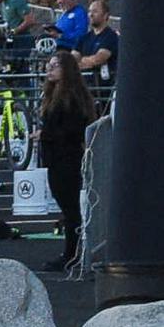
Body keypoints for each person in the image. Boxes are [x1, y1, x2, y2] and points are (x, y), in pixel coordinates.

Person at [32, 46, 97, 278]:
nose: (49, 69)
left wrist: (44, 135)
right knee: (69, 208)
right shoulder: (58, 95)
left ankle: (73, 253)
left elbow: (73, 130)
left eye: (55, 65)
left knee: (71, 209)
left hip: (66, 158)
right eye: (49, 65)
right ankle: (72, 252)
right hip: (58, 157)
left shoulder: (70, 98)